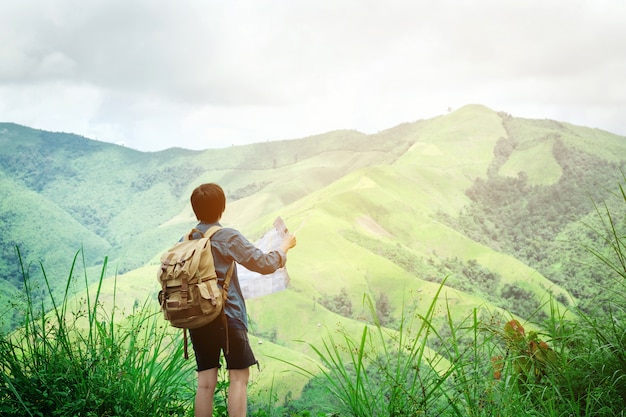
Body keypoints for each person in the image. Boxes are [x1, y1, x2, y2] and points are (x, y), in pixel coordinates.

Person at [186, 183, 296, 417]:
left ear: (195, 209)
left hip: (198, 318)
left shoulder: (186, 239)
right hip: (228, 316)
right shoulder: (226, 236)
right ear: (222, 208)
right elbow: (263, 264)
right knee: (238, 378)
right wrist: (284, 248)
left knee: (205, 383)